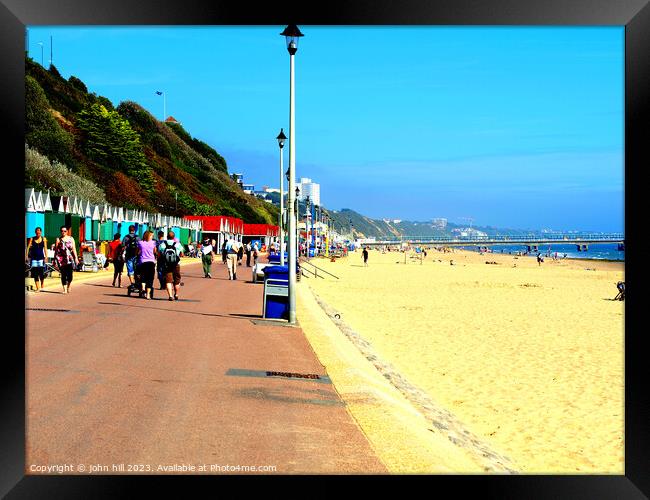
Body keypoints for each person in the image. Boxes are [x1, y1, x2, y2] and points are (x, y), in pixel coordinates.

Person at [158, 230, 184, 301]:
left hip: (166, 265)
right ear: (174, 237)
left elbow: (159, 255)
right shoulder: (178, 244)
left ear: (167, 237)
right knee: (177, 280)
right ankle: (176, 294)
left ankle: (170, 296)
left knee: (168, 281)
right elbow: (182, 254)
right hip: (176, 264)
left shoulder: (163, 244)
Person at [53, 226, 78, 294]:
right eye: (62, 231)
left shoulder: (71, 238)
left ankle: (68, 286)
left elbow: (74, 249)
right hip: (61, 259)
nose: (63, 232)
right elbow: (56, 250)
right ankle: (64, 289)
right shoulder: (58, 239)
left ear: (67, 231)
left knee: (70, 276)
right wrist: (54, 259)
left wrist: (76, 258)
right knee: (63, 274)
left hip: (69, 259)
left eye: (64, 231)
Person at [25, 227, 48, 292]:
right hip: (34, 259)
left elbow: (45, 248)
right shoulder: (32, 239)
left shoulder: (44, 239)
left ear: (41, 232)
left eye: (39, 232)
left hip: (41, 258)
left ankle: (42, 286)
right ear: (35, 232)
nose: (38, 233)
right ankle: (38, 288)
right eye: (37, 232)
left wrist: (46, 257)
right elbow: (28, 248)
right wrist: (26, 256)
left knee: (41, 273)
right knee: (35, 273)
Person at [136, 230, 157, 299]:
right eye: (152, 236)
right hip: (151, 262)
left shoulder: (140, 243)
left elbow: (137, 252)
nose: (152, 237)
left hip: (142, 262)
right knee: (150, 278)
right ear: (148, 236)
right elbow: (155, 251)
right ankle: (148, 295)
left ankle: (143, 289)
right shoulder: (153, 243)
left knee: (143, 277)